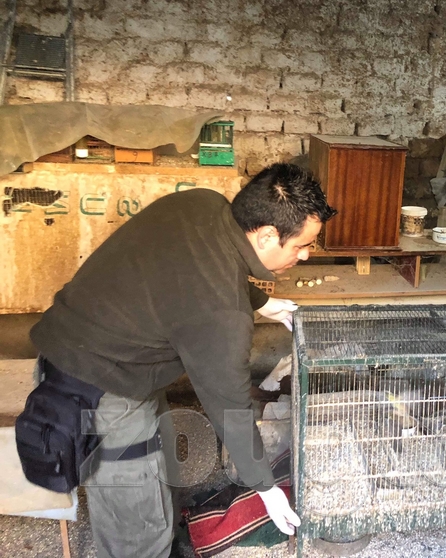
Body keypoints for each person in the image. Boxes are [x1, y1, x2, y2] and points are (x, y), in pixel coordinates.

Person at [26, 163, 336, 558]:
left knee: (162, 467)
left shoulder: (202, 204)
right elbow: (229, 404)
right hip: (102, 390)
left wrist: (263, 302)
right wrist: (265, 487)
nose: (306, 255)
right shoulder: (223, 315)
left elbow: (195, 267)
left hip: (80, 345)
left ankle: (168, 539)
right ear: (267, 236)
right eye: (301, 245)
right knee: (138, 528)